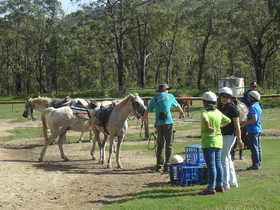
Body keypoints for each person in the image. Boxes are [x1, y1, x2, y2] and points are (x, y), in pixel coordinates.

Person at [141, 84, 184, 172]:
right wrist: (181, 112)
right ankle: (167, 166)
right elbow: (178, 106)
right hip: (168, 123)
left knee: (160, 145)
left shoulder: (154, 98)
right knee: (169, 144)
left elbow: (147, 111)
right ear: (166, 90)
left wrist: (143, 119)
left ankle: (159, 166)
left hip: (159, 124)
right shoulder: (170, 96)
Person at [199, 91, 231, 195]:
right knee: (218, 164)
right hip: (218, 141)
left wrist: (208, 127)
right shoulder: (218, 112)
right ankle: (219, 185)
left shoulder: (205, 112)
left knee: (211, 165)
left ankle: (211, 187)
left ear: (205, 103)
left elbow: (205, 120)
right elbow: (228, 120)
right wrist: (219, 127)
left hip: (209, 142)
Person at [217, 87, 244, 190]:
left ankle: (225, 183)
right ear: (220, 97)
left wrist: (239, 139)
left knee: (223, 158)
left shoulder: (232, 108)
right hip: (222, 135)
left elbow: (237, 125)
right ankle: (233, 182)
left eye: (227, 97)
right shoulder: (220, 107)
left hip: (229, 135)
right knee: (227, 158)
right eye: (223, 96)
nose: (224, 98)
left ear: (230, 98)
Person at [241, 91, 262, 170]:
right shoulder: (257, 106)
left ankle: (255, 165)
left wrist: (245, 123)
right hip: (258, 129)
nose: (248, 99)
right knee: (258, 148)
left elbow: (254, 119)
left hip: (253, 130)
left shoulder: (253, 107)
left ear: (251, 98)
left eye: (249, 98)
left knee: (254, 148)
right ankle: (258, 163)